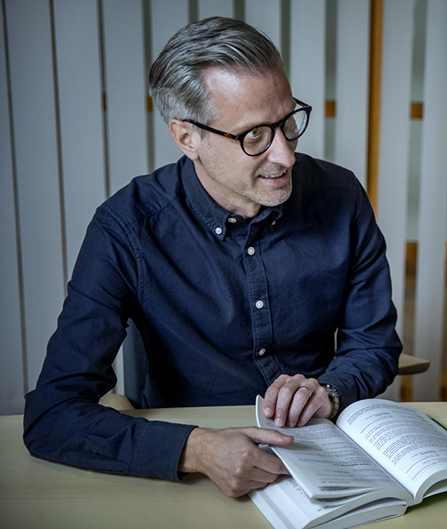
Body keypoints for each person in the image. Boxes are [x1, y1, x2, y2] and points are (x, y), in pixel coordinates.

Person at [23, 17, 402, 497]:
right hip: (191, 471)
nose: (285, 155)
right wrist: (194, 450)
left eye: (287, 122)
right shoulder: (127, 228)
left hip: (320, 454)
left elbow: (374, 345)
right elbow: (52, 414)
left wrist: (328, 391)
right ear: (187, 138)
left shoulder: (340, 195)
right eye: (254, 136)